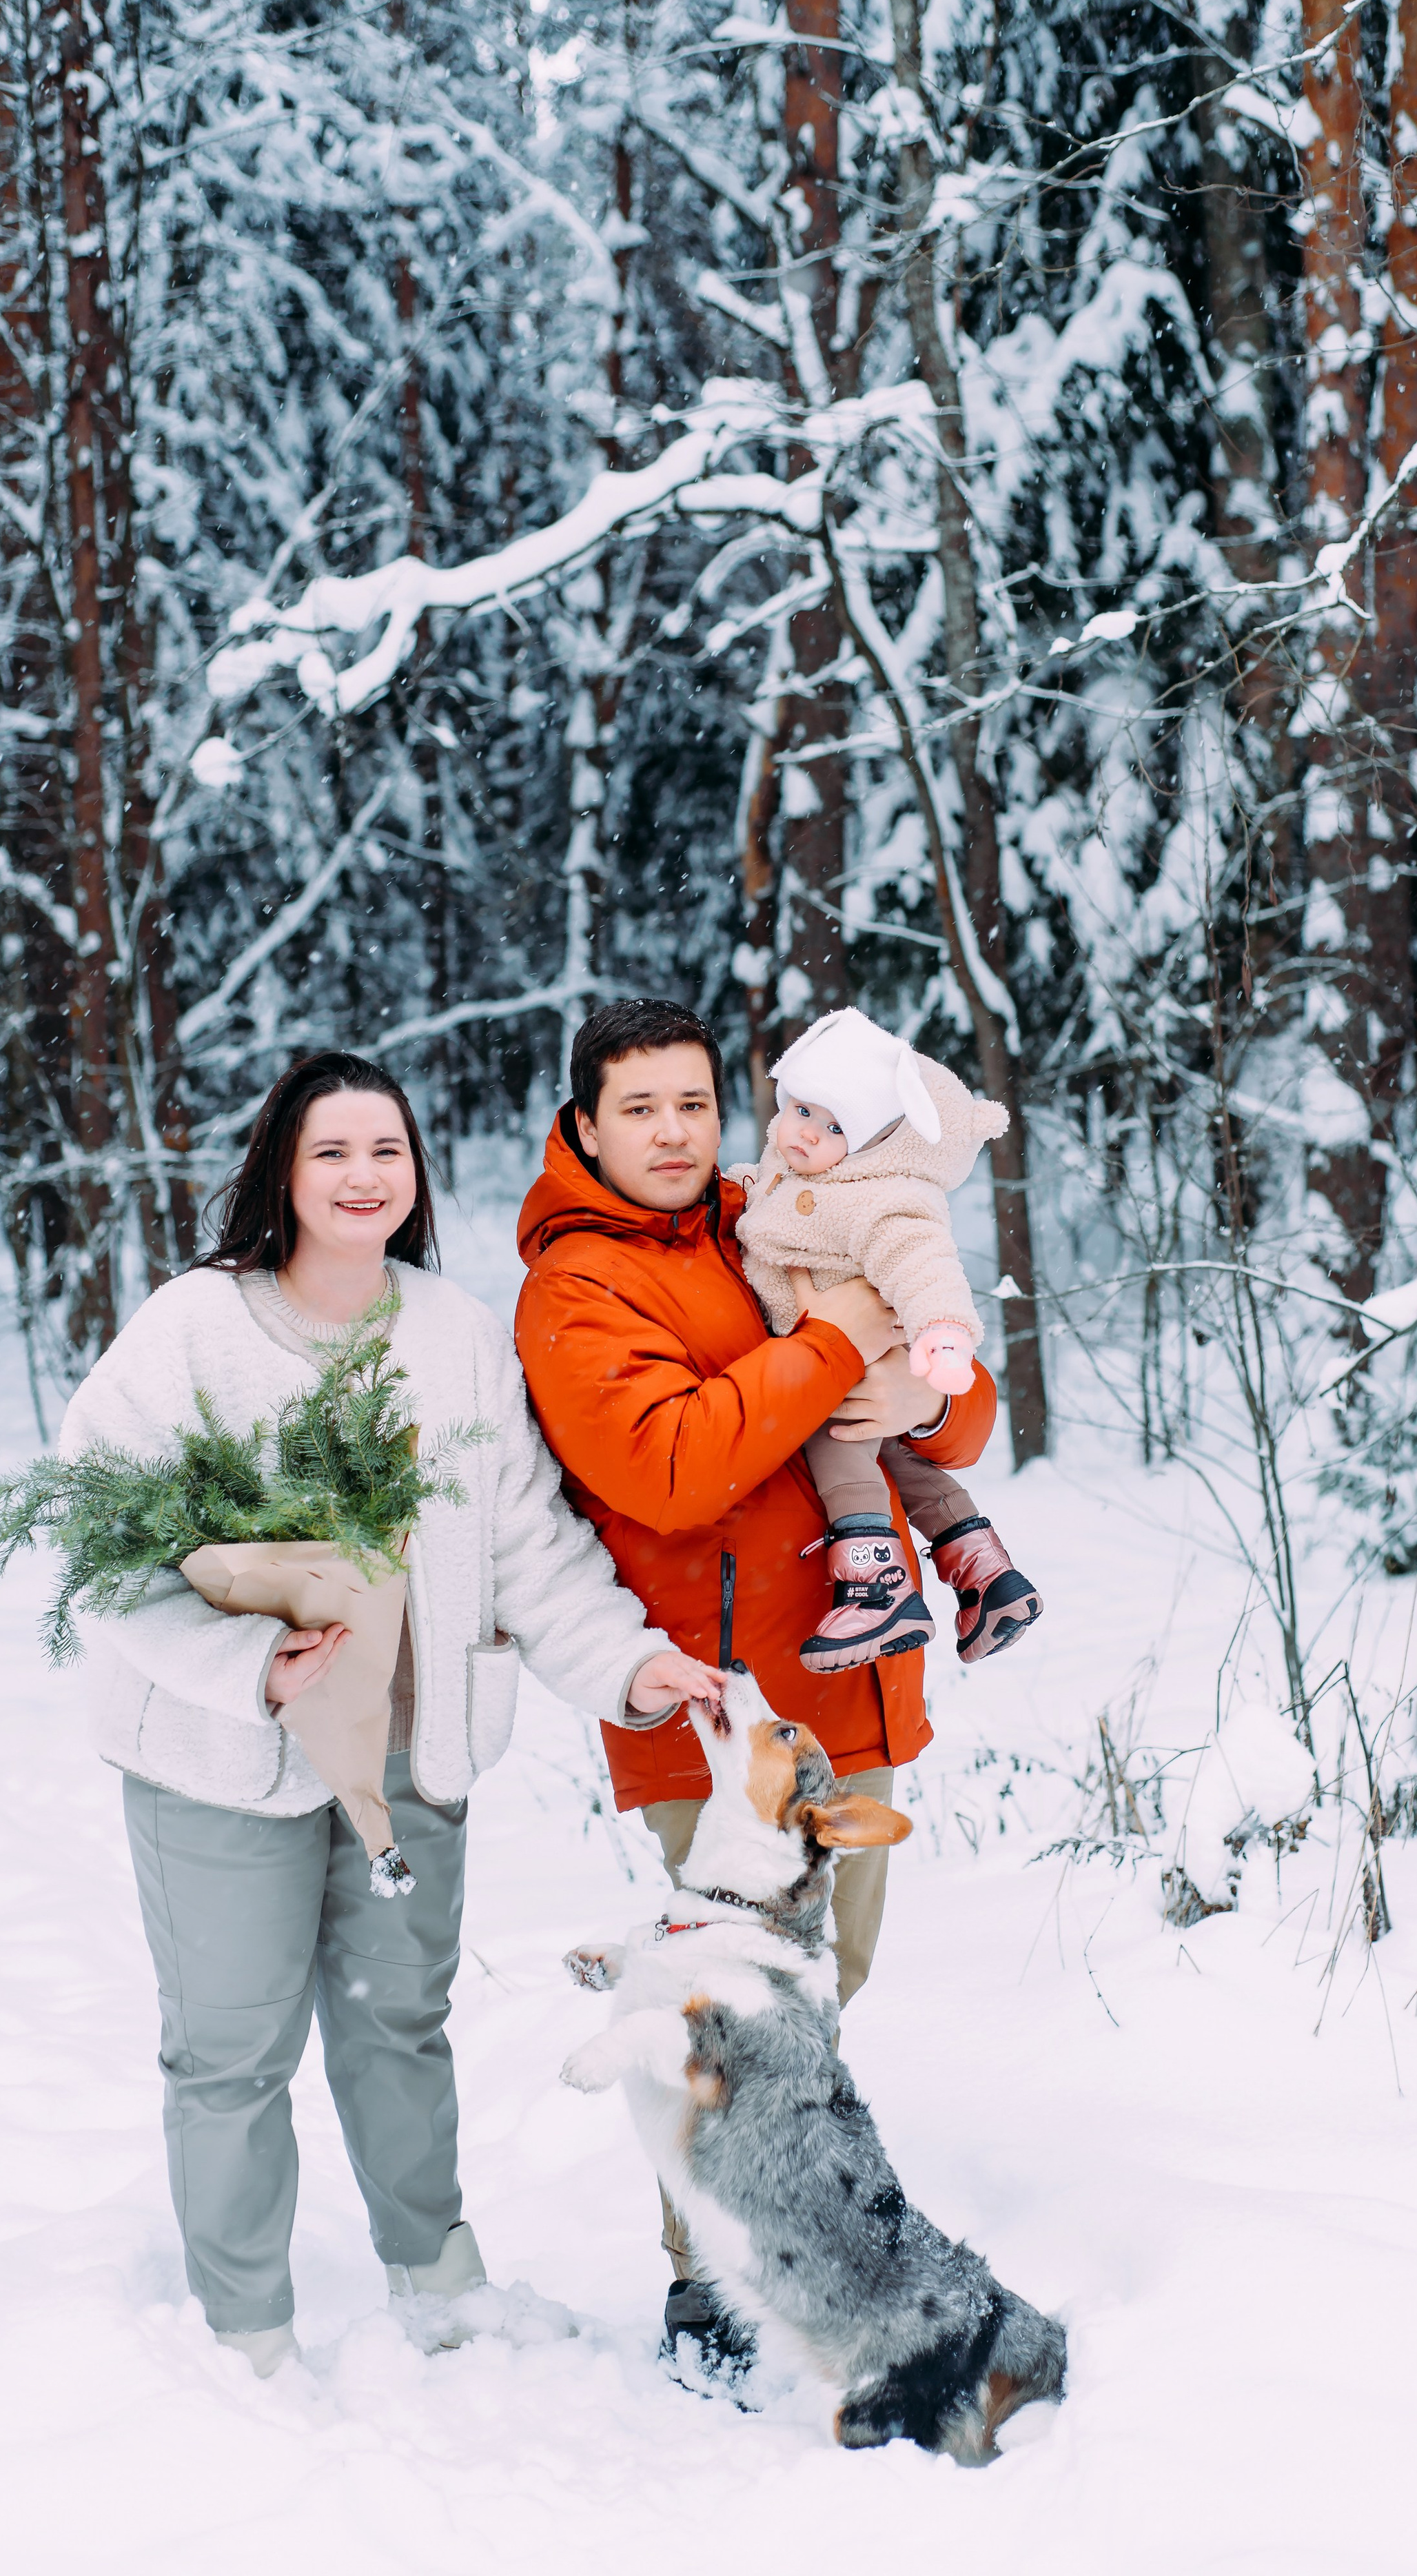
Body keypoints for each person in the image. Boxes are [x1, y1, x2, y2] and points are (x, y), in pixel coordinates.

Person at [60, 1051, 720, 2377]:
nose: (365, 1178)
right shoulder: (195, 1331)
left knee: (398, 2025)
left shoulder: (455, 1335)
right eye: (333, 1153)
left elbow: (528, 1541)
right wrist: (249, 1670)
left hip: (412, 1759)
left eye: (388, 1152)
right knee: (233, 2050)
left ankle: (435, 2273)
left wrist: (626, 1662)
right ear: (282, 1173)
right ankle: (247, 2327)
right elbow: (100, 1546)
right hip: (224, 1762)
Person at [512, 997, 999, 2377]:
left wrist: (923, 1400)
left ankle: (805, 2239)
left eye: (692, 1102)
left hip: (851, 1678)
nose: (674, 1132)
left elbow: (953, 1401)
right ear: (585, 1124)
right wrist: (846, 1338)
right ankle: (704, 2285)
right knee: (715, 2011)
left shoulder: (779, 1203)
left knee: (826, 1990)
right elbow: (674, 1463)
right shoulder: (575, 1288)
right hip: (712, 1720)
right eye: (640, 1108)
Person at [731, 1004, 1043, 1672]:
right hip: (851, 1366)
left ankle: (877, 1587)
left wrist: (944, 1331)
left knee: (841, 1446)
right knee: (902, 1461)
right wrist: (744, 1185)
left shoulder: (878, 1196)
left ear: (873, 1141)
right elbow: (769, 1200)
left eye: (836, 1125)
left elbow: (922, 1258)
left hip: (843, 1366)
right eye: (802, 1110)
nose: (806, 1134)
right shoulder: (796, 1167)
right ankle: (984, 1573)